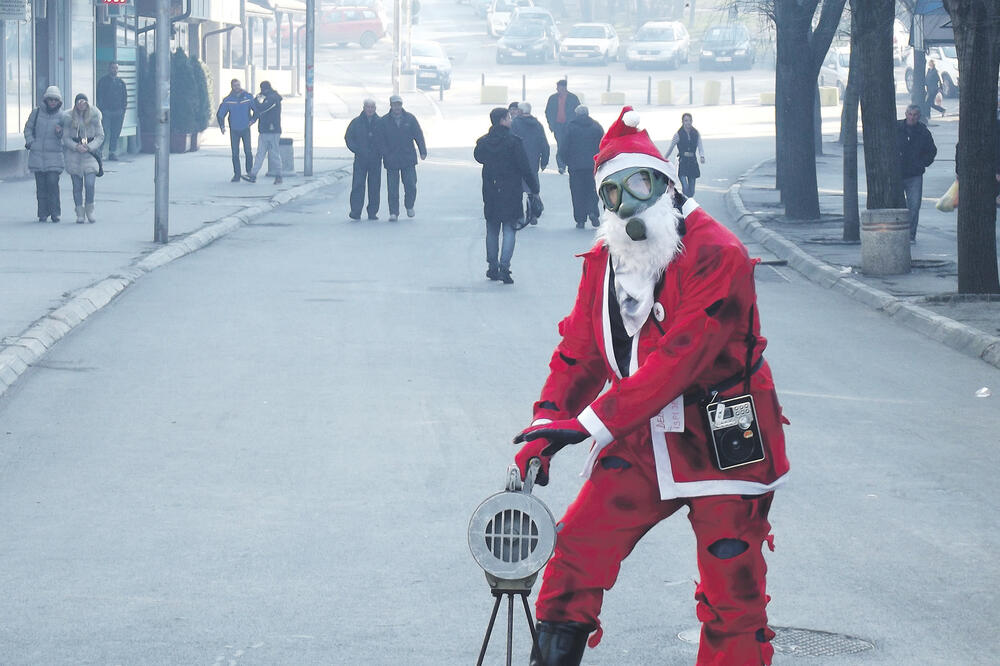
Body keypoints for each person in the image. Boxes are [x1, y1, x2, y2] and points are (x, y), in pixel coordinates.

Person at [512, 106, 789, 666]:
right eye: (610, 193)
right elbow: (581, 350)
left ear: (664, 181)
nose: (625, 203)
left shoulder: (718, 254)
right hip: (640, 440)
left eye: (637, 184)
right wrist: (546, 423)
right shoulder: (604, 257)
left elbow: (677, 362)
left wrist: (583, 425)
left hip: (721, 441)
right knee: (576, 553)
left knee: (732, 592)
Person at [474, 107, 539, 285]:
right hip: (511, 191)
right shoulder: (514, 142)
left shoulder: (484, 142)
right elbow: (525, 168)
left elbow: (478, 157)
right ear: (502, 120)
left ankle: (492, 266)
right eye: (508, 117)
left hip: (491, 190)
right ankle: (505, 266)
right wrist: (534, 189)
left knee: (492, 229)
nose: (511, 120)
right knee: (510, 228)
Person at [377, 95, 426, 222]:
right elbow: (380, 140)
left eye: (399, 104)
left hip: (408, 157)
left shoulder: (410, 118)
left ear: (401, 105)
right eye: (394, 104)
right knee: (392, 188)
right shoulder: (384, 121)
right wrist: (385, 154)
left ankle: (409, 205)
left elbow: (418, 135)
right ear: (391, 106)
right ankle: (393, 212)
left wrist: (422, 151)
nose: (397, 107)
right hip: (391, 158)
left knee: (411, 184)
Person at [24, 86, 65, 223]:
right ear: (45, 100)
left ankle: (55, 213)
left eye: (55, 100)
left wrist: (60, 132)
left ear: (58, 102)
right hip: (37, 155)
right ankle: (42, 213)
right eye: (50, 99)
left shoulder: (63, 116)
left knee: (52, 184)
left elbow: (67, 136)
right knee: (41, 186)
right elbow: (28, 128)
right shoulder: (36, 113)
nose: (52, 102)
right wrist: (31, 142)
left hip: (54, 156)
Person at [896, 104, 937, 241]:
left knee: (914, 206)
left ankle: (910, 234)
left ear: (919, 116)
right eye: (910, 114)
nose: (912, 117)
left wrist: (922, 163)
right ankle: (897, 232)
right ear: (906, 114)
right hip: (897, 173)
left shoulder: (923, 132)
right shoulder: (896, 128)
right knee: (896, 206)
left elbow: (931, 151)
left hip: (914, 174)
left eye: (915, 115)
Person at [61, 93, 104, 224]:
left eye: (83, 102)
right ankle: (79, 212)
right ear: (75, 104)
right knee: (77, 186)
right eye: (79, 102)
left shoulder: (95, 116)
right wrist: (75, 146)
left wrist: (90, 147)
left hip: (89, 154)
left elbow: (100, 136)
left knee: (90, 184)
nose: (81, 104)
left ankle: (90, 209)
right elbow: (65, 137)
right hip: (74, 155)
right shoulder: (68, 117)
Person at [558, 105, 603, 229]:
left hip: (575, 167)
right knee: (592, 190)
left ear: (576, 114)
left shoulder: (570, 127)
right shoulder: (596, 127)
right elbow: (603, 144)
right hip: (592, 166)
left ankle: (580, 219)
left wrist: (566, 161)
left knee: (577, 192)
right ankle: (593, 212)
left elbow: (564, 147)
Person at [511, 101, 549, 226]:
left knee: (517, 189)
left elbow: (510, 141)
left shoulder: (515, 123)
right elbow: (544, 143)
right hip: (533, 161)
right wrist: (544, 161)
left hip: (517, 161)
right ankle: (532, 213)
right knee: (532, 188)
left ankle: (519, 215)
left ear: (520, 111)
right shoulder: (537, 124)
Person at [345, 98, 382, 220]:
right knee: (358, 185)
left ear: (375, 109)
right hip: (360, 159)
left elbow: (386, 139)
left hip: (375, 160)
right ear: (364, 108)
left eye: (372, 107)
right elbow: (348, 138)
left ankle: (372, 212)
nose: (370, 109)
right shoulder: (356, 122)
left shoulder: (380, 122)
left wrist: (380, 152)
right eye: (368, 107)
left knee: (374, 186)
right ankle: (355, 211)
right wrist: (357, 150)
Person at [216, 78, 256, 183]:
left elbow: (256, 110)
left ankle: (249, 172)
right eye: (235, 85)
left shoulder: (248, 97)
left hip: (245, 128)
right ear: (232, 87)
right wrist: (222, 126)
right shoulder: (228, 100)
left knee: (248, 151)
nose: (237, 87)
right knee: (235, 153)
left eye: (238, 85)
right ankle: (237, 175)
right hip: (234, 129)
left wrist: (253, 120)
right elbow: (220, 114)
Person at [246, 81, 283, 185]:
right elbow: (259, 110)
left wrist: (256, 101)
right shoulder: (269, 97)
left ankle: (278, 175)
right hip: (265, 130)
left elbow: (262, 108)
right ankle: (253, 174)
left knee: (273, 154)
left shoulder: (273, 98)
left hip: (272, 130)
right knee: (261, 153)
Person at [664, 112, 705, 197]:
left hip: (692, 161)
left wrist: (702, 156)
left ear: (692, 121)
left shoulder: (696, 133)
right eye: (686, 120)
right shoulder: (678, 134)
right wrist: (664, 158)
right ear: (682, 122)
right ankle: (685, 206)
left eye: (690, 120)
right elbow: (671, 147)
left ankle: (687, 202)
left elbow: (700, 145)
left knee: (691, 191)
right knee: (685, 188)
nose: (688, 122)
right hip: (682, 161)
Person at [544, 79, 580, 174]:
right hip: (558, 126)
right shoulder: (552, 98)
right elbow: (548, 112)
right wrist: (551, 125)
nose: (557, 89)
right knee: (560, 145)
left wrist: (575, 124)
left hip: (570, 126)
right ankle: (561, 166)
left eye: (559, 87)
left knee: (570, 146)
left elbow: (578, 112)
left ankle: (571, 164)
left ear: (564, 87)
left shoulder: (573, 98)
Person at [95, 62, 127, 160]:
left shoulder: (121, 83)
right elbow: (99, 96)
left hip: (118, 112)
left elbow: (124, 97)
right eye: (113, 68)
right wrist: (102, 109)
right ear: (109, 69)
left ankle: (112, 152)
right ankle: (99, 151)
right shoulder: (103, 81)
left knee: (115, 132)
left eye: (116, 68)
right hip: (106, 112)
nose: (115, 70)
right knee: (103, 131)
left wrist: (123, 109)